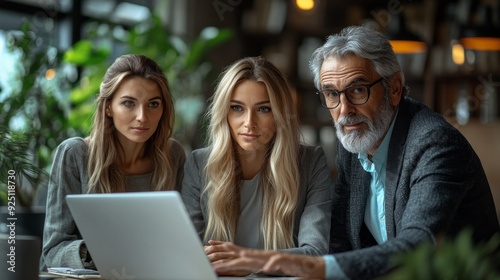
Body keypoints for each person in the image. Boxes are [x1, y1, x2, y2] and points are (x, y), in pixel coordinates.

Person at [213, 25, 500, 279]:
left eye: (358, 90)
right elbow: (339, 237)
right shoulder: (355, 139)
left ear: (395, 88)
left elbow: (416, 243)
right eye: (331, 94)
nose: (345, 110)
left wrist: (296, 265)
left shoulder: (435, 144)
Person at [181, 56, 333, 275]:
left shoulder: (310, 163)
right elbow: (188, 256)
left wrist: (248, 261)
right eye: (237, 108)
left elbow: (315, 255)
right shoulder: (199, 164)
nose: (249, 123)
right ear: (224, 112)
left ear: (280, 114)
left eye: (264, 109)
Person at [40, 54, 186, 270]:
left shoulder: (173, 155)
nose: (142, 116)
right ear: (108, 107)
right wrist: (99, 251)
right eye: (129, 103)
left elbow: (185, 238)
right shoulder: (75, 154)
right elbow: (52, 252)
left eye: (153, 104)